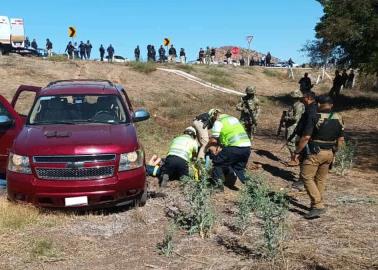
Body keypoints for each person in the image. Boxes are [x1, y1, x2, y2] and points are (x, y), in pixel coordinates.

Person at [293, 95, 344, 219]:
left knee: (306, 177)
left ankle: (317, 205)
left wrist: (297, 151)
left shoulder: (315, 116)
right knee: (320, 180)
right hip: (330, 153)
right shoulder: (339, 117)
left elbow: (306, 137)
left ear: (319, 104)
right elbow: (341, 139)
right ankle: (317, 203)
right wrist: (335, 153)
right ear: (331, 105)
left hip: (316, 153)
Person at [208, 110, 251, 189]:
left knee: (217, 163)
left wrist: (207, 146)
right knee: (239, 168)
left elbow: (214, 138)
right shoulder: (233, 118)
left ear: (213, 116)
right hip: (247, 147)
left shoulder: (218, 122)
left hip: (234, 147)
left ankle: (218, 187)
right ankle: (254, 188)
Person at [288, 91, 318, 187]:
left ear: (309, 98)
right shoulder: (310, 108)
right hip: (305, 136)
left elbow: (308, 130)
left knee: (304, 159)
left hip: (307, 139)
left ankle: (302, 181)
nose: (302, 99)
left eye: (304, 97)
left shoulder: (311, 111)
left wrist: (298, 149)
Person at [285, 91, 305, 165]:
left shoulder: (298, 105)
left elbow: (296, 118)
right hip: (291, 125)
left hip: (293, 126)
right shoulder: (294, 104)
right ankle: (294, 158)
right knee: (291, 142)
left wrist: (287, 118)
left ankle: (294, 159)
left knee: (290, 142)